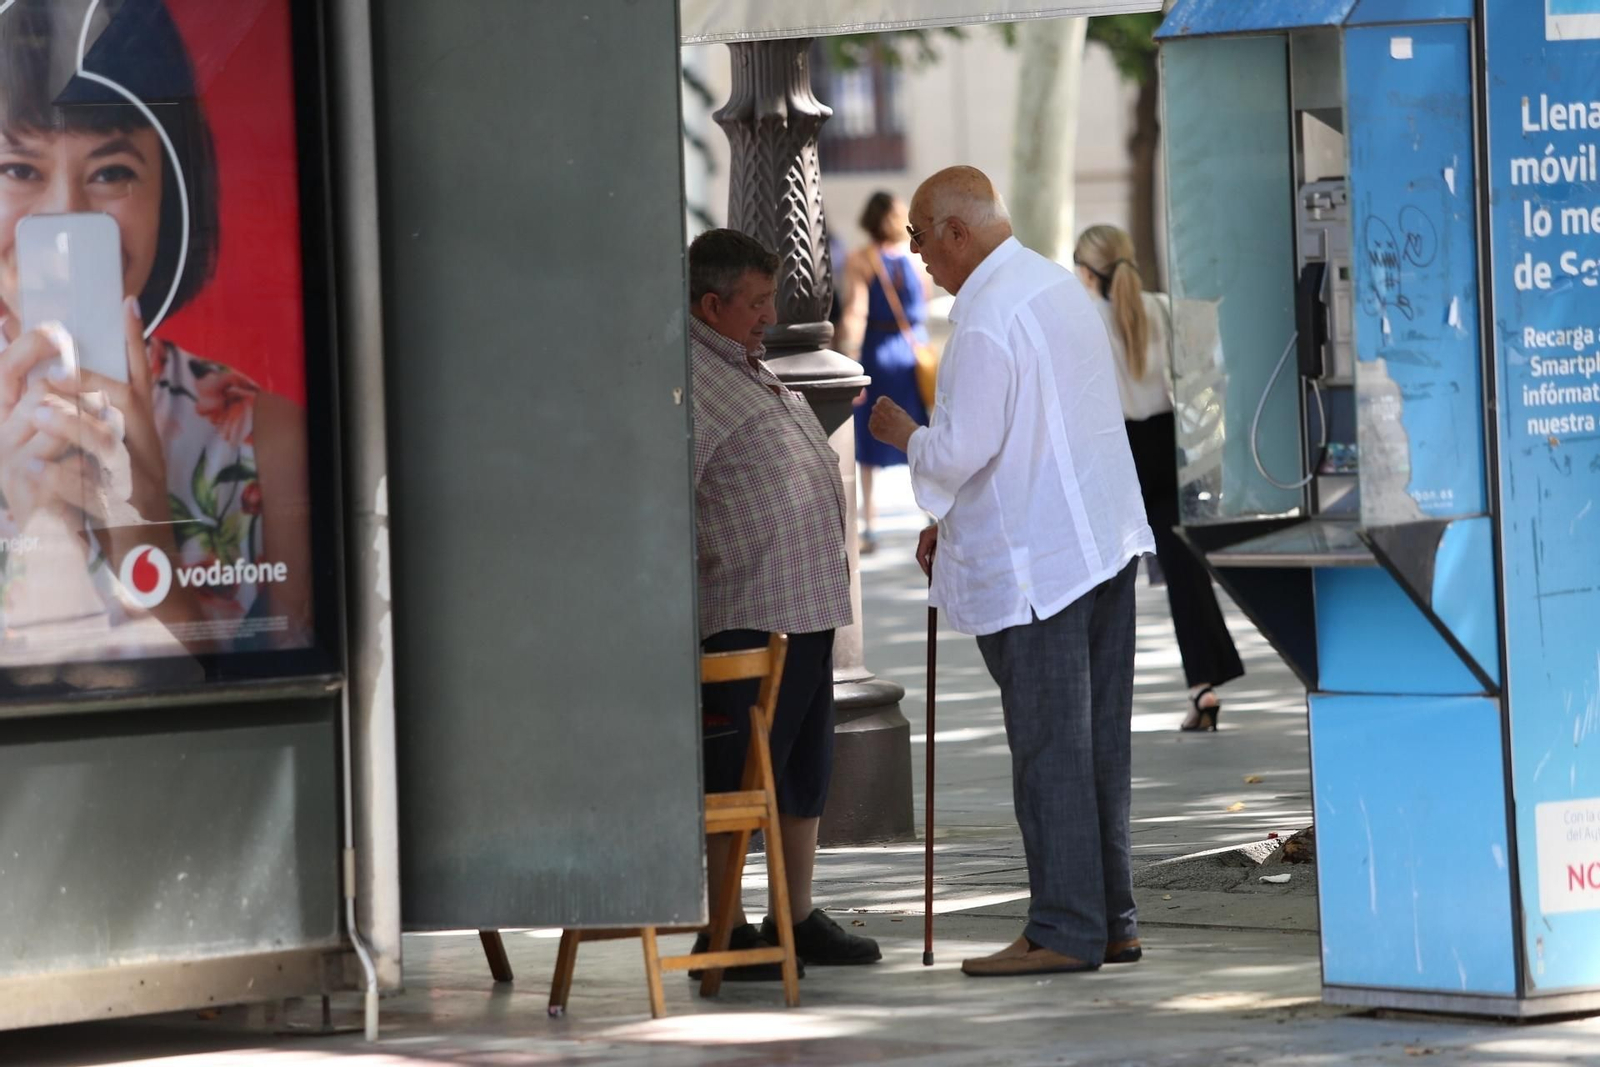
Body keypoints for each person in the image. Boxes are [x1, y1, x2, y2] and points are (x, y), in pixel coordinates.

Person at [868, 167, 1155, 978]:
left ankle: (1065, 926)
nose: (920, 256)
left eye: (923, 239)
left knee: (1050, 749)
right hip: (1096, 542)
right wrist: (948, 520)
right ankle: (1111, 920)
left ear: (958, 231)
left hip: (1039, 567)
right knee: (1097, 744)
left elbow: (962, 449)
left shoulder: (988, 314)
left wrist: (904, 433)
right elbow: (1038, 433)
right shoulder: (1052, 285)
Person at [0, 0, 311, 660]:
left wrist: (142, 536)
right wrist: (44, 538)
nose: (66, 217)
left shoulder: (267, 447)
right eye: (17, 169)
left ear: (169, 194)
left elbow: (273, 745)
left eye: (112, 171)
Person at [686, 227, 881, 979]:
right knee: (737, 775)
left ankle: (793, 916)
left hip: (803, 606)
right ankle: (725, 928)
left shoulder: (743, 361)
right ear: (713, 303)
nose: (770, 315)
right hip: (746, 611)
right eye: (758, 302)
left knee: (802, 769)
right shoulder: (689, 375)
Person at [1073, 224, 1243, 732]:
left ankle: (1085, 695)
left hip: (1116, 449)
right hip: (1169, 444)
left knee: (1095, 575)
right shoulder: (1165, 308)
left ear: (1085, 270)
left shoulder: (1084, 320)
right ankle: (1203, 687)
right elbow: (1209, 373)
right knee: (1184, 575)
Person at [837, 191, 929, 554]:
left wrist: (851, 359)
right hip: (912, 352)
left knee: (870, 441)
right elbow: (922, 302)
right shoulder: (915, 259)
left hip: (877, 353)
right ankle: (930, 511)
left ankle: (870, 525)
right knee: (918, 433)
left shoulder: (861, 260)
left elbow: (855, 313)